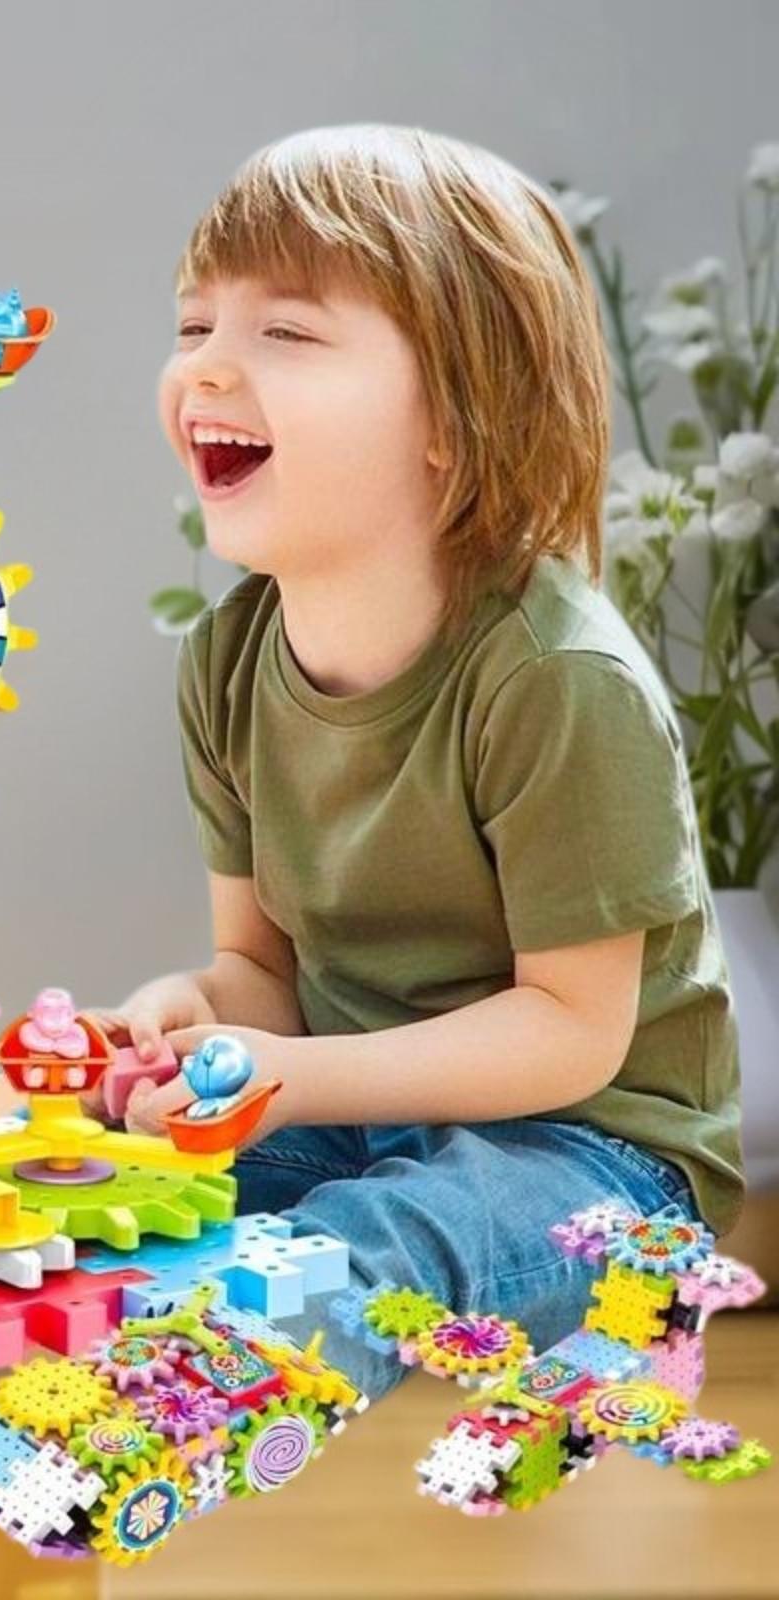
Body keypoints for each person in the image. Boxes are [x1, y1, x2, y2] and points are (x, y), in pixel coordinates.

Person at [92, 123, 743, 1400]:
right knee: (108, 1192)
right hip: (353, 1114)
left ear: (454, 415)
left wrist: (290, 1079)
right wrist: (189, 1015)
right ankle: (89, 1396)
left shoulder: (556, 678)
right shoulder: (227, 661)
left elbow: (572, 1034)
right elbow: (262, 975)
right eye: (195, 325)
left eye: (286, 331)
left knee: (368, 1249)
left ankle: (131, 1433)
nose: (207, 365)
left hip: (597, 1157)